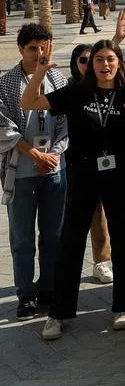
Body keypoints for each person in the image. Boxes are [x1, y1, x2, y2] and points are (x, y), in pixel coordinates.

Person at [24, 40, 125, 340]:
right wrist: (40, 72)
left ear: (119, 63)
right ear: (91, 64)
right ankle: (58, 313)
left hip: (119, 174)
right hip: (82, 173)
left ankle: (122, 307)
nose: (105, 65)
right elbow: (29, 103)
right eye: (99, 59)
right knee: (71, 242)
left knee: (123, 241)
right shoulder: (75, 92)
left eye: (111, 59)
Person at [0, 24, 69, 319]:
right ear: (21, 49)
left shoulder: (57, 78)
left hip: (54, 169)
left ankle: (49, 289)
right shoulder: (6, 83)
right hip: (22, 172)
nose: (39, 53)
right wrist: (34, 153)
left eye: (44, 47)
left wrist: (54, 154)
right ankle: (26, 294)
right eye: (32, 48)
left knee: (53, 234)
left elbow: (66, 123)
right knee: (22, 238)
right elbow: (4, 127)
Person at [67, 44, 113, 285]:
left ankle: (102, 261)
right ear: (75, 63)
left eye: (90, 59)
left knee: (99, 213)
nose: (87, 64)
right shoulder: (67, 88)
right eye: (82, 60)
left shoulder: (104, 87)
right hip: (68, 159)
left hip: (99, 161)